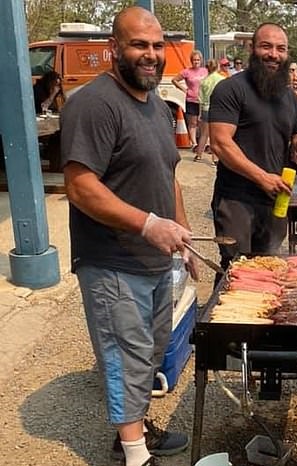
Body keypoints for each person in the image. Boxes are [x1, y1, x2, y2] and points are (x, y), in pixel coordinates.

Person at [60, 7, 197, 466]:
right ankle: (135, 457)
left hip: (156, 258)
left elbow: (170, 175)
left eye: (157, 46)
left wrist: (184, 236)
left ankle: (130, 436)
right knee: (125, 356)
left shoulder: (157, 104)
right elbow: (80, 186)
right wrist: (147, 223)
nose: (151, 55)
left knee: (150, 353)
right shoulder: (93, 104)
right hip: (112, 260)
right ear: (113, 49)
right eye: (139, 45)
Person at [207, 22, 297, 271]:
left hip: (274, 200)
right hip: (236, 198)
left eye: (281, 48)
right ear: (252, 48)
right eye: (266, 46)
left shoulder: (289, 97)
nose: (274, 54)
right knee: (235, 270)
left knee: (268, 268)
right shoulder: (231, 89)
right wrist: (261, 177)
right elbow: (220, 143)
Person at [172, 49, 208, 150]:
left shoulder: (205, 71)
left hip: (203, 101)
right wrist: (184, 89)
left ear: (201, 61)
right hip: (191, 100)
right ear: (191, 61)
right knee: (193, 123)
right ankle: (194, 143)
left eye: (198, 60)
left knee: (202, 123)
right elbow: (174, 80)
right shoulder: (186, 71)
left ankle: (203, 144)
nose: (196, 62)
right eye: (194, 60)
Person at [194, 59, 226, 162]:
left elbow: (200, 98)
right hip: (217, 109)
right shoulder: (221, 79)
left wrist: (199, 113)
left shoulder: (203, 81)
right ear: (217, 67)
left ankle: (198, 155)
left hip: (205, 109)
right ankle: (215, 158)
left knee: (204, 134)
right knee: (215, 135)